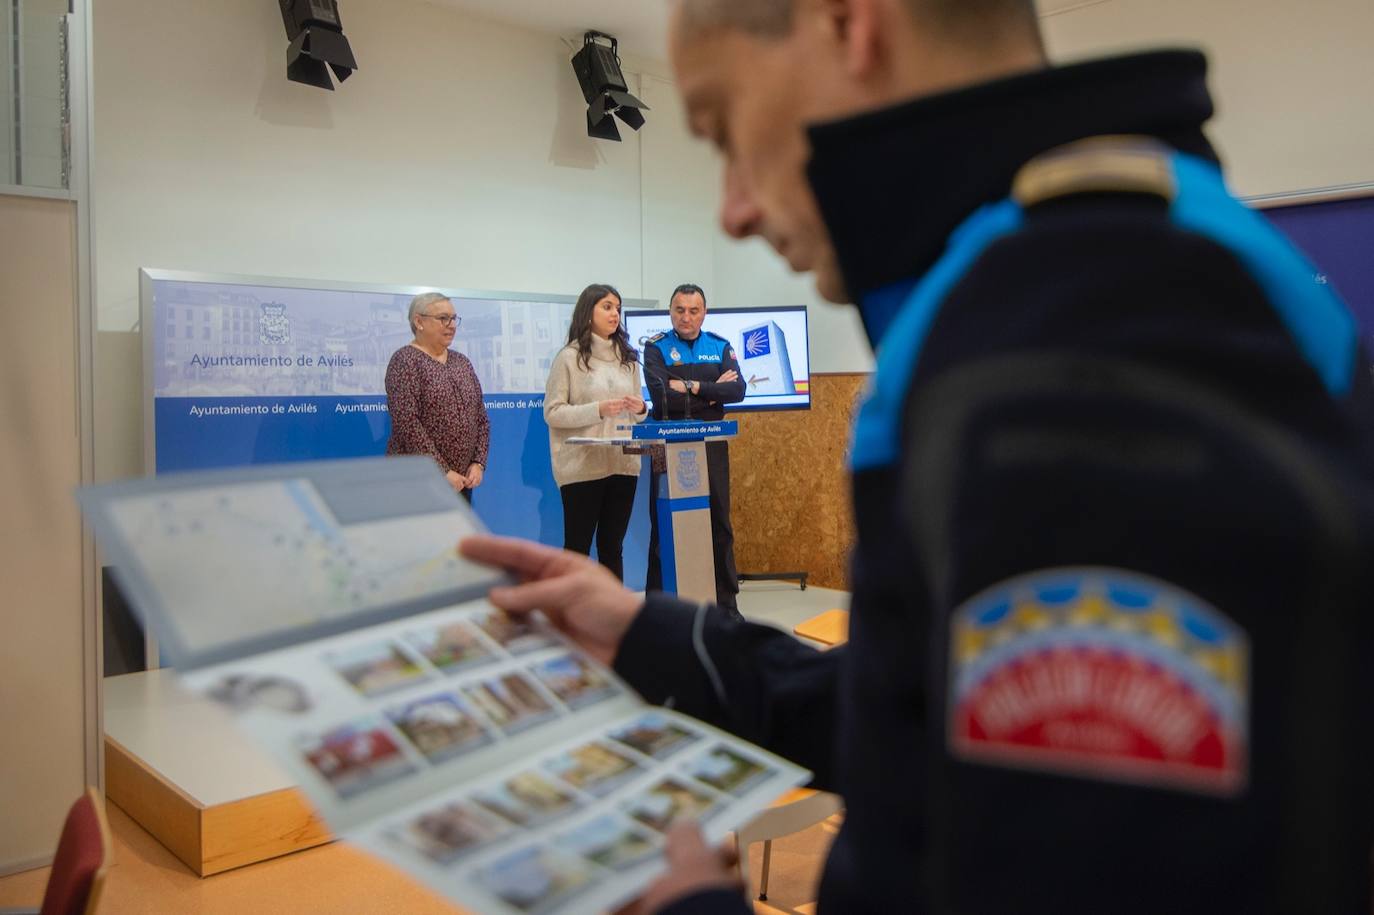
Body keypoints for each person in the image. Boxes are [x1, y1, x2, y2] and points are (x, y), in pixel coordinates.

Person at [462, 1, 1374, 913]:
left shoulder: (1072, 321)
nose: (733, 210)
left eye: (726, 129)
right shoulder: (1071, 269)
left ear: (851, 25)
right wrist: (654, 635)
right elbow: (936, 714)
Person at [642, 283, 747, 611]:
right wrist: (713, 394)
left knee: (719, 523)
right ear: (670, 312)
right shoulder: (656, 348)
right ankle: (658, 608)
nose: (686, 317)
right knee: (663, 527)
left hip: (711, 443)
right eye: (679, 310)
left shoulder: (719, 346)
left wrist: (691, 387)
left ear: (704, 313)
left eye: (693, 310)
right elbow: (663, 399)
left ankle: (726, 607)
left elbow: (738, 391)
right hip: (666, 445)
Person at [543, 283, 648, 580]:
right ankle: (571, 607)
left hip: (623, 464)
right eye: (607, 307)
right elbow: (552, 412)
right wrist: (597, 409)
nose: (615, 314)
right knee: (577, 549)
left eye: (618, 308)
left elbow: (638, 414)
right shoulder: (569, 357)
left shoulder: (629, 360)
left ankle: (612, 606)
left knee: (612, 547)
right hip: (582, 467)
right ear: (588, 312)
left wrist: (641, 408)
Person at [385, 292, 489, 501]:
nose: (452, 325)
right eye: (443, 318)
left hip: (462, 483)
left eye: (454, 318)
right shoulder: (405, 361)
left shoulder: (462, 362)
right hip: (418, 482)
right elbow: (407, 423)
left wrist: (478, 463)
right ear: (419, 322)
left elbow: (480, 417)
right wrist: (442, 471)